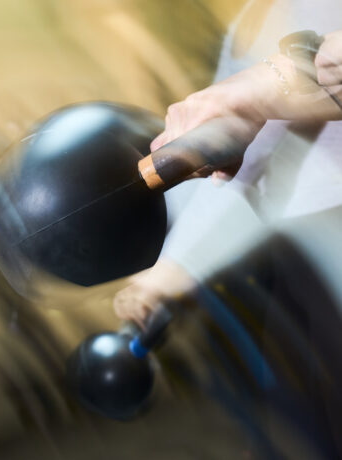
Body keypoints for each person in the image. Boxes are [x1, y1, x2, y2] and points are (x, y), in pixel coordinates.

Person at [114, 0, 342, 327]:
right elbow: (237, 165)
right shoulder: (252, 16)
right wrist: (168, 261)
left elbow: (263, 155)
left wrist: (255, 93)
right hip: (281, 250)